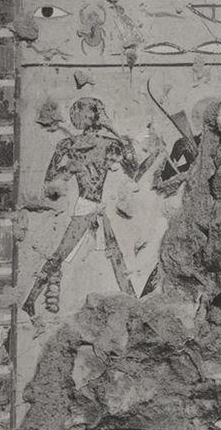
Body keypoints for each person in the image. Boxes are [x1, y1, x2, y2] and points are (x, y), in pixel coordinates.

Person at [22, 97, 144, 319]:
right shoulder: (70, 145)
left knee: (114, 253)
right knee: (62, 254)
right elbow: (50, 181)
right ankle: (30, 301)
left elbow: (133, 165)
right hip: (85, 207)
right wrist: (70, 168)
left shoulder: (108, 143)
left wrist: (113, 129)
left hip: (98, 206)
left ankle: (134, 302)